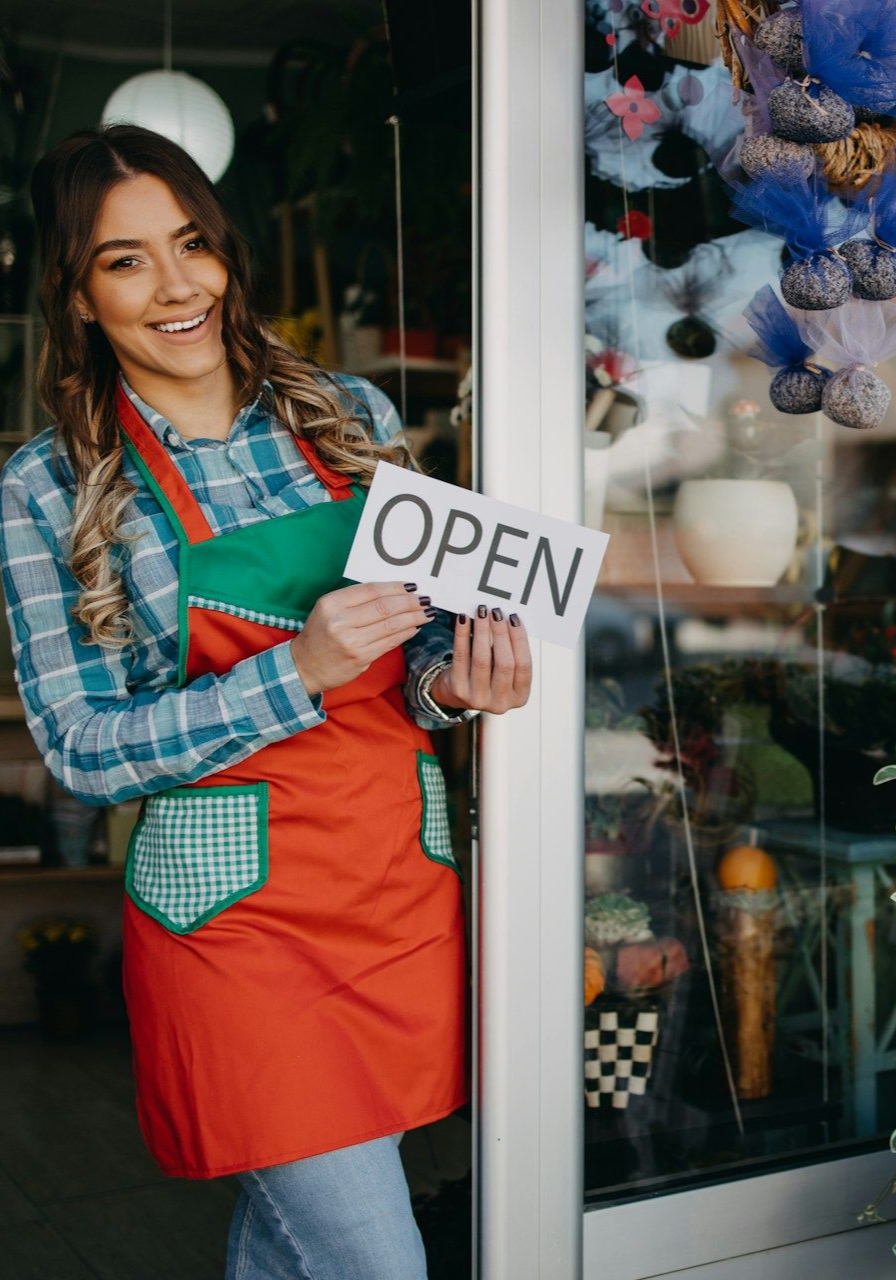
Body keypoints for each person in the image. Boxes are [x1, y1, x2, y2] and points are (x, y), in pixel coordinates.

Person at [0, 124, 531, 1279]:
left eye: (192, 244)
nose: (177, 285)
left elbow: (423, 657)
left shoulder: (344, 414)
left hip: (395, 883)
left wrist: (457, 681)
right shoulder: (41, 486)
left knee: (299, 1246)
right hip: (234, 927)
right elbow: (80, 748)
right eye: (126, 259)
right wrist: (291, 675)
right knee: (374, 1257)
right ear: (79, 296)